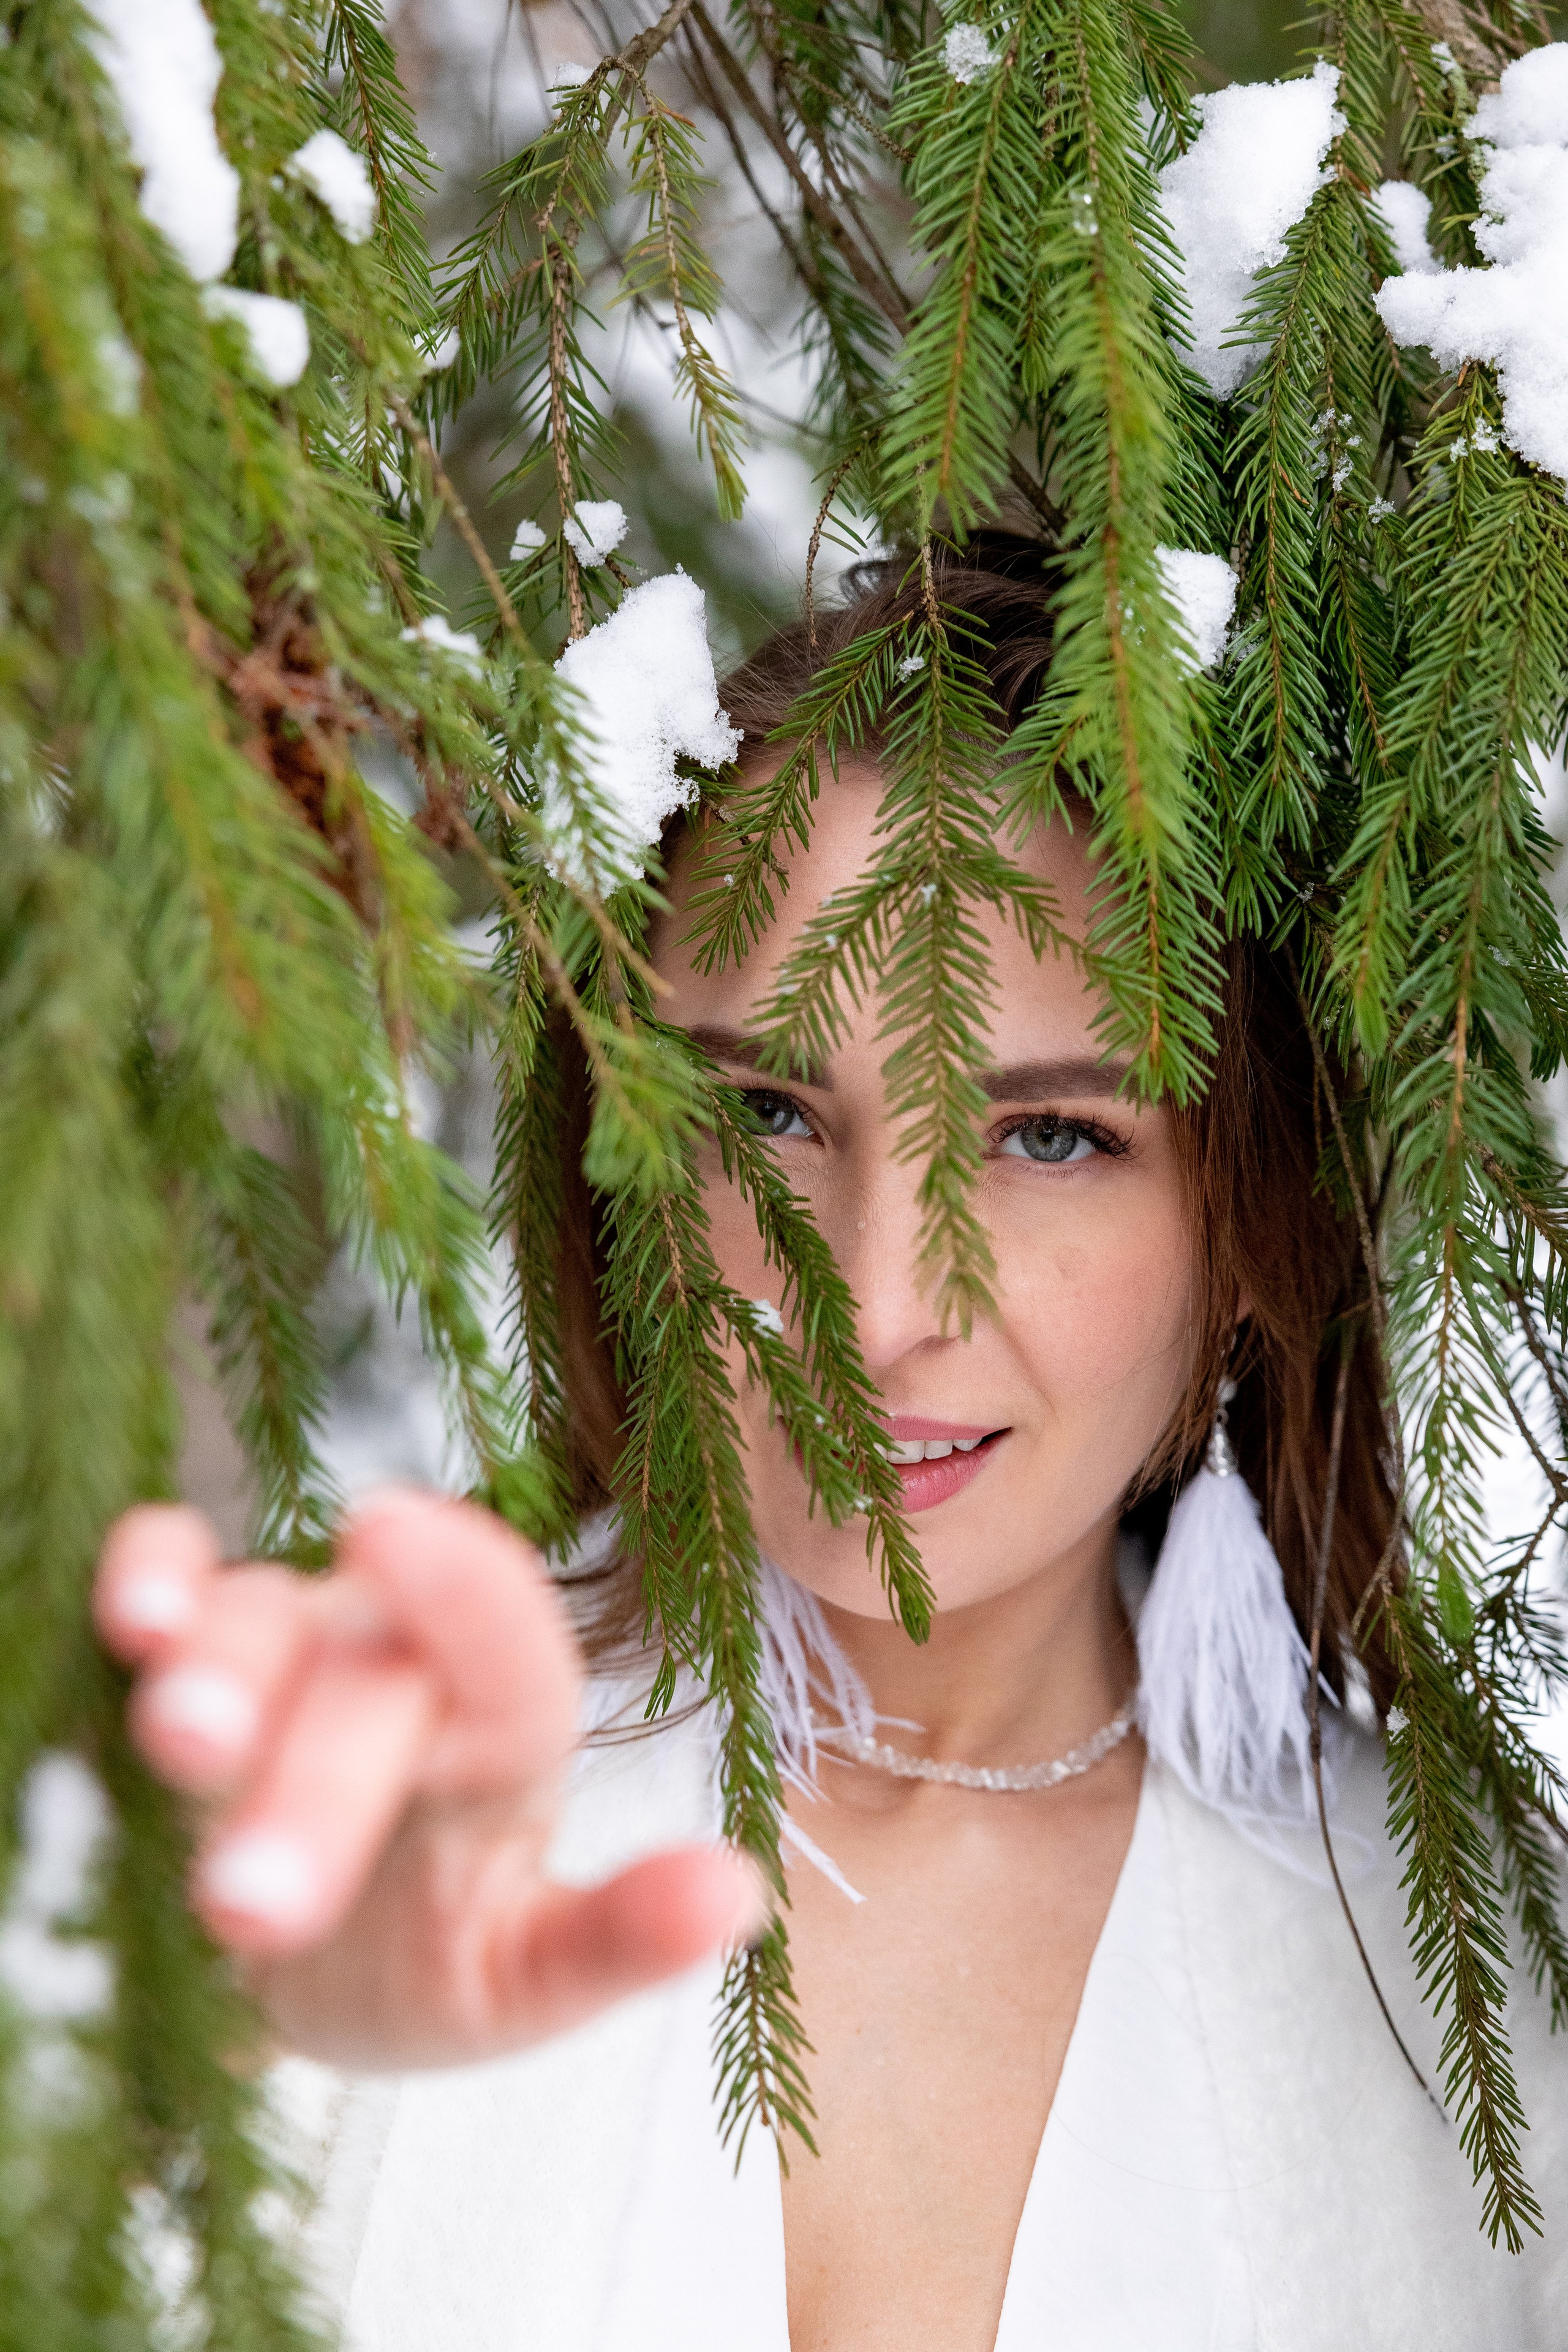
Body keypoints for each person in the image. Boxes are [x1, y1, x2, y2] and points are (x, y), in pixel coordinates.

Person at [94, 540, 1568, 2350]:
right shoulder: (380, 1811)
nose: (874, 1309)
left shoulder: (1481, 1995)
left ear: (1253, 1227)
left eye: (1051, 1140)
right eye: (773, 1114)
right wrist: (214, 2042)